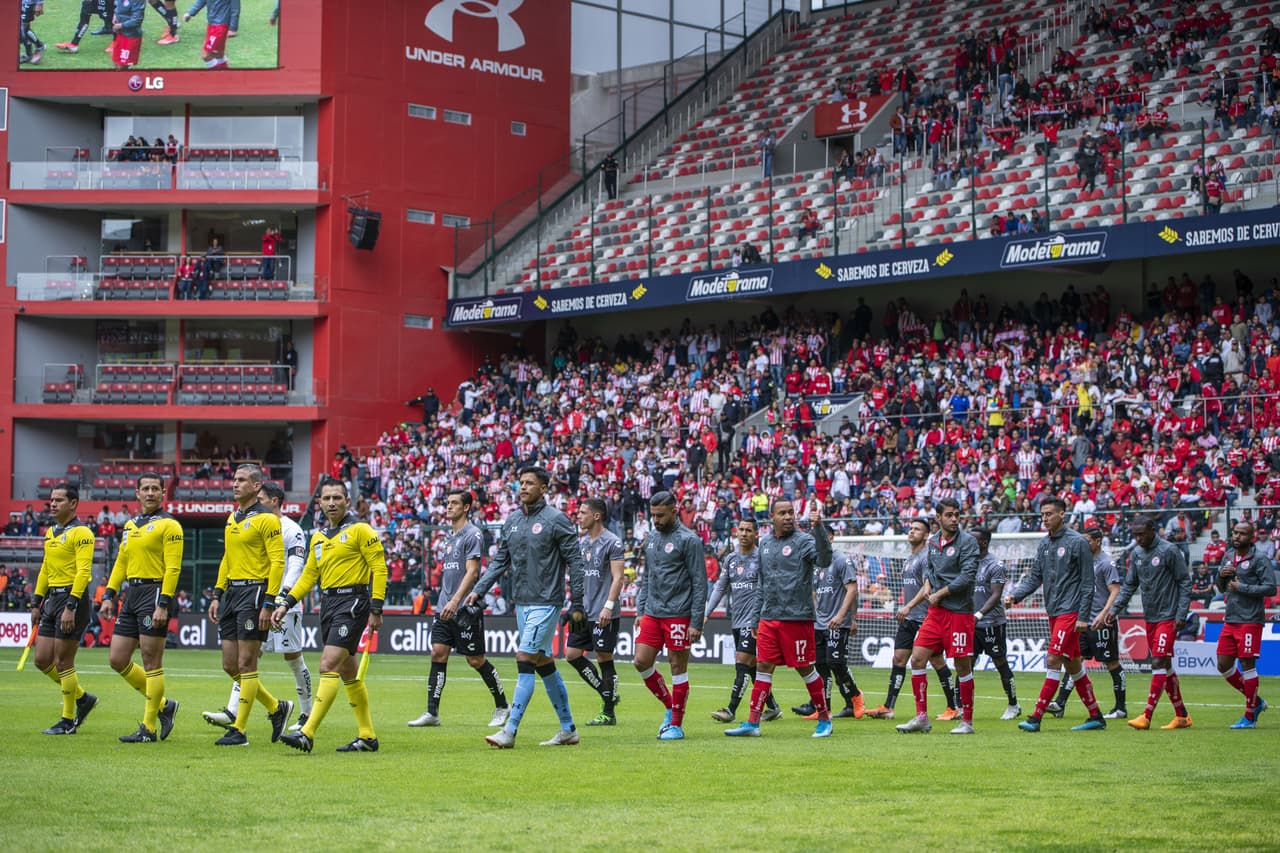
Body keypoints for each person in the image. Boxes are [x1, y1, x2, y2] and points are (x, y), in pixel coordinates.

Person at [466, 466, 586, 748]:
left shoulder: (557, 520)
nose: (523, 487)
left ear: (544, 488)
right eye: (520, 482)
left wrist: (578, 601)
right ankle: (568, 729)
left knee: (524, 659)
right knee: (545, 665)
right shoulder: (513, 521)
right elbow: (500, 561)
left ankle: (510, 730)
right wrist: (479, 590)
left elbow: (576, 562)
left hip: (546, 603)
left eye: (529, 483)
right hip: (522, 603)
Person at [276, 479, 386, 752]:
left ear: (347, 501)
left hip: (353, 603)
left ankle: (307, 732)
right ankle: (367, 736)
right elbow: (308, 577)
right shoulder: (318, 537)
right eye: (327, 498)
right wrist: (286, 602)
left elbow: (380, 568)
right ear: (320, 503)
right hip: (328, 604)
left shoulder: (361, 530)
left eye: (338, 497)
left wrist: (376, 608)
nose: (332, 503)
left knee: (328, 664)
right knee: (349, 671)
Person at [724, 500, 834, 738]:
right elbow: (762, 584)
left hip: (797, 618)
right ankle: (753, 723)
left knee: (805, 668)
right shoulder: (764, 544)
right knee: (763, 667)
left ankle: (825, 719)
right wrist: (755, 618)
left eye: (791, 512)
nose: (788, 517)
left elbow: (824, 560)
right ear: (771, 516)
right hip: (768, 618)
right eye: (782, 513)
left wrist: (818, 528)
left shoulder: (804, 540)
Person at [206, 464, 294, 746]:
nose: (235, 484)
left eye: (241, 480)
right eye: (234, 479)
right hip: (232, 593)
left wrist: (269, 602)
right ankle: (275, 707)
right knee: (230, 665)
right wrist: (218, 593)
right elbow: (226, 558)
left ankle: (239, 730)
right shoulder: (233, 518)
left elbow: (278, 561)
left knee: (247, 663)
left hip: (255, 593)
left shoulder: (267, 520)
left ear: (256, 487)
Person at [407, 488, 509, 729]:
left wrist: (456, 601)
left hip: (463, 609)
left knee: (475, 660)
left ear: (466, 508)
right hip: (444, 607)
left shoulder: (472, 534)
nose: (448, 507)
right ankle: (432, 713)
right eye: (447, 503)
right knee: (438, 653)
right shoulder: (449, 538)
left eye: (454, 503)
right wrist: (445, 601)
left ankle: (503, 706)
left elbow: (473, 572)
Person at [1004, 499, 1108, 732]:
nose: (1045, 518)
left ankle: (1036, 717)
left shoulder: (1077, 542)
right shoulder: (1044, 544)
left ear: (1062, 514)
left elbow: (1087, 583)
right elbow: (1034, 577)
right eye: (1042, 514)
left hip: (1070, 613)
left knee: (1053, 659)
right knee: (1073, 666)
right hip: (1054, 611)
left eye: (1049, 513)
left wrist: (1083, 616)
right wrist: (1015, 596)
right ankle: (1096, 716)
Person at [99, 473, 181, 743]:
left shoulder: (170, 525)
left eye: (154, 488)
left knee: (150, 661)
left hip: (154, 592)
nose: (149, 492)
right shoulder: (131, 525)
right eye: (144, 488)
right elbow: (121, 562)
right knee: (117, 659)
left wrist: (164, 603)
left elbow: (173, 568)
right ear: (137, 493)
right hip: (131, 594)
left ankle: (148, 728)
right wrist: (110, 594)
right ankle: (164, 705)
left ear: (162, 494)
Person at [896, 498, 978, 734]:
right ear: (939, 518)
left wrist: (940, 593)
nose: (954, 519)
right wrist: (929, 585)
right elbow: (930, 570)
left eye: (957, 515)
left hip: (959, 613)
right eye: (949, 515)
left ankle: (967, 721)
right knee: (917, 659)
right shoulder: (932, 542)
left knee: (962, 665)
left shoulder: (968, 542)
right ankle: (921, 717)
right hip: (935, 612)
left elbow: (968, 577)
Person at [866, 518, 961, 720]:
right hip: (909, 618)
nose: (912, 531)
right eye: (910, 528)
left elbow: (926, 587)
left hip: (925, 618)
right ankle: (888, 707)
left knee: (936, 661)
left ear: (926, 535)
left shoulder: (926, 557)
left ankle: (954, 707)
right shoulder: (909, 559)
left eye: (917, 529)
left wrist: (909, 606)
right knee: (898, 659)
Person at [1106, 516, 1193, 730]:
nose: (1138, 538)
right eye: (1135, 535)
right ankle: (1182, 716)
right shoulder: (1136, 553)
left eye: (1142, 534)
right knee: (1166, 666)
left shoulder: (1169, 551)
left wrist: (1182, 612)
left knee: (1157, 661)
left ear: (1153, 530)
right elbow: (1129, 585)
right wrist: (1114, 609)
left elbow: (1184, 581)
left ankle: (1146, 715)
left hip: (1169, 616)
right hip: (1151, 616)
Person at [633, 491, 707, 740]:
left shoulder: (690, 540)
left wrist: (696, 621)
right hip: (653, 612)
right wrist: (640, 609)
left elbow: (700, 582)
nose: (656, 520)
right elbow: (647, 577)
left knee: (678, 668)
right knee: (641, 661)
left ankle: (676, 724)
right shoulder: (652, 538)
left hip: (679, 613)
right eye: (653, 515)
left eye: (660, 515)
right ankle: (668, 704)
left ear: (675, 511)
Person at [30, 484, 98, 735]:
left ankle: (68, 720)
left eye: (59, 500)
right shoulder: (51, 532)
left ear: (74, 503)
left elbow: (83, 571)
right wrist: (36, 602)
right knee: (41, 660)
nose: (53, 504)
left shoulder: (82, 532)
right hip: (51, 601)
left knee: (63, 661)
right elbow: (46, 569)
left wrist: (71, 605)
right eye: (51, 500)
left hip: (73, 600)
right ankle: (82, 697)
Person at [1047, 526, 1128, 720]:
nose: (1083, 544)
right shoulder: (1082, 560)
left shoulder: (1106, 563)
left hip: (1101, 622)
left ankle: (1120, 707)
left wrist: (1105, 613)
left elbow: (1115, 590)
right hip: (1081, 620)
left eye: (1087, 541)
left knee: (1111, 662)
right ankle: (1060, 703)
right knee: (1074, 660)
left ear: (1098, 541)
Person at [706, 518, 781, 723]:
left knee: (741, 663)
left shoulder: (762, 558)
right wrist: (705, 613)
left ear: (756, 534)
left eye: (749, 530)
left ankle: (730, 710)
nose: (744, 533)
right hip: (737, 620)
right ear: (736, 532)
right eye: (741, 529)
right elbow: (720, 588)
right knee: (751, 666)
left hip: (755, 621)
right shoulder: (730, 559)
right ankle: (773, 707)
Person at [257, 482, 313, 733]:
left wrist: (283, 596)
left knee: (292, 658)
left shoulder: (292, 529)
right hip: (259, 603)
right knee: (248, 657)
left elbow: (296, 566)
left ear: (275, 500)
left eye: (261, 499)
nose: (258, 503)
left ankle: (307, 712)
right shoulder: (258, 526)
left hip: (283, 605)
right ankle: (233, 711)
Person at [1215, 521, 1276, 728]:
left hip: (1250, 620)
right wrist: (1220, 576)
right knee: (1223, 665)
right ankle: (1256, 701)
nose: (1237, 536)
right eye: (1235, 532)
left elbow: (1270, 588)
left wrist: (1243, 587)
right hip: (1231, 618)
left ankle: (1249, 717)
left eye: (1242, 534)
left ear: (1251, 538)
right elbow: (1222, 588)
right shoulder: (1228, 556)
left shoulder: (1260, 559)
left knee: (1247, 664)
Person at [798, 547, 864, 719]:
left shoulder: (842, 560)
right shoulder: (815, 564)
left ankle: (855, 695)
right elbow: (814, 593)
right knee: (820, 666)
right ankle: (824, 709)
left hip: (838, 622)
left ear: (829, 540)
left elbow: (852, 590)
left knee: (836, 663)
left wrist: (848, 617)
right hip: (819, 624)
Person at [971, 528, 1020, 720]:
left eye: (972, 540)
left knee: (1000, 663)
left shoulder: (995, 565)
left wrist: (979, 614)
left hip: (991, 622)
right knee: (965, 664)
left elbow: (996, 595)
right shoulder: (968, 563)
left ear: (983, 543)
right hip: (971, 623)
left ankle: (1013, 705)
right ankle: (961, 707)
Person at [183, 0, 233, 69]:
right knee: (219, 54)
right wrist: (190, 13)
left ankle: (219, 76)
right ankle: (226, 75)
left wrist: (233, 28)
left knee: (206, 55)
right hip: (211, 25)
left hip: (220, 26)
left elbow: (235, 9)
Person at [110, 0, 144, 69]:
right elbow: (117, 6)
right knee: (115, 63)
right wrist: (115, 15)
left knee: (122, 66)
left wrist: (121, 25)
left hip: (130, 36)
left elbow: (137, 20)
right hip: (119, 34)